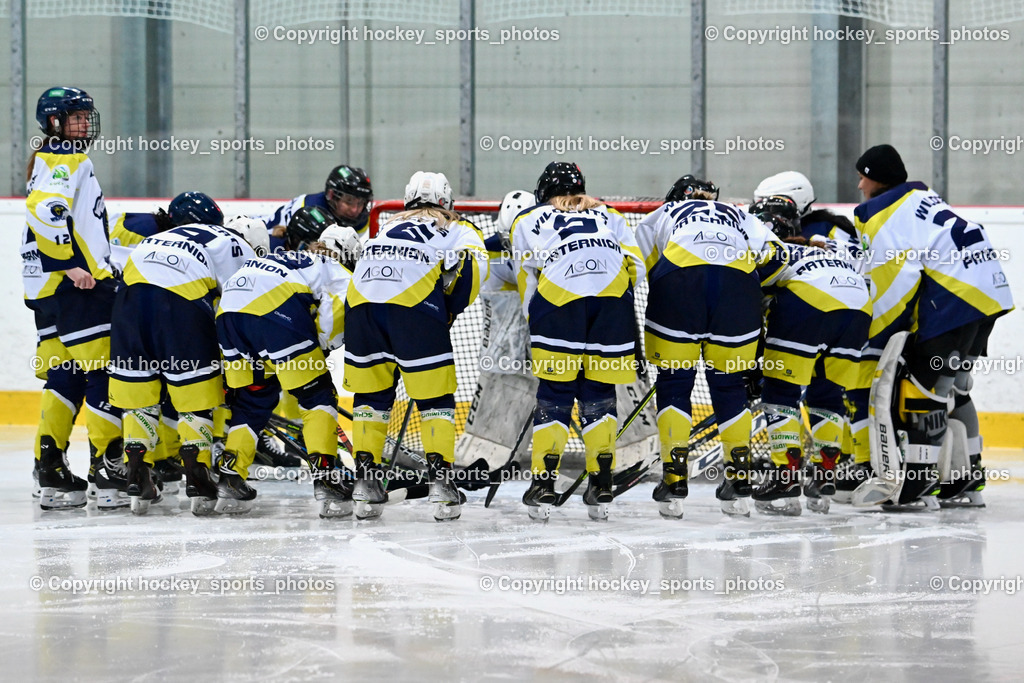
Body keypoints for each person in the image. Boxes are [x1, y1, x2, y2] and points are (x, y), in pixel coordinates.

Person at [852, 144, 1013, 509]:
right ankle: (965, 476)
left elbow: (895, 284)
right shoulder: (920, 200)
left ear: (876, 179)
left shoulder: (886, 215)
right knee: (955, 385)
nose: (860, 185)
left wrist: (873, 335)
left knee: (923, 390)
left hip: (956, 298)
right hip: (986, 295)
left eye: (863, 176)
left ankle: (921, 482)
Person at [107, 196, 267, 514]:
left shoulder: (155, 237)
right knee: (195, 395)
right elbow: (244, 299)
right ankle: (197, 475)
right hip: (180, 307)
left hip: (128, 304)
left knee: (139, 393)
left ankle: (137, 468)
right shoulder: (232, 241)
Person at [344, 171, 487, 522]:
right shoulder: (458, 228)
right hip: (415, 309)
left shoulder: (386, 227)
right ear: (447, 201)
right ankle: (441, 488)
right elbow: (471, 270)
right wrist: (448, 311)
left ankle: (365, 485)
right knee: (434, 398)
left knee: (372, 396)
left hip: (361, 305)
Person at [635, 175, 779, 518]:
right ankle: (739, 477)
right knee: (729, 385)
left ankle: (673, 478)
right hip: (737, 287)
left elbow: (633, 264)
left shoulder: (667, 212)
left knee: (674, 381)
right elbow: (775, 256)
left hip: (679, 283)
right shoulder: (740, 214)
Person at [513, 162, 646, 521]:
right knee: (599, 395)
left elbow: (526, 275)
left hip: (559, 302)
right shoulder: (610, 216)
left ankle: (543, 484)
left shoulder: (527, 219)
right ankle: (601, 482)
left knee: (555, 396)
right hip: (613, 303)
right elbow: (635, 266)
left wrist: (535, 321)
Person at [216, 209, 360, 517]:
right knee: (317, 396)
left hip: (228, 313)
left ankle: (230, 475)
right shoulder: (339, 271)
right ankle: (327, 478)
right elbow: (333, 318)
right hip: (274, 312)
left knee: (253, 400)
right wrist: (315, 354)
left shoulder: (292, 257)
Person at [22, 86, 122, 511]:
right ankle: (109, 470)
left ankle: (50, 469)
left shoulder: (47, 158)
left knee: (64, 375)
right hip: (76, 287)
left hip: (45, 290)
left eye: (85, 116)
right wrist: (71, 265)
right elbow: (45, 209)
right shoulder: (67, 158)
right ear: (55, 121)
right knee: (102, 370)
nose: (84, 123)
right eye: (76, 116)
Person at [748, 195, 871, 515]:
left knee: (780, 390)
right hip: (858, 308)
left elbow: (751, 290)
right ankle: (824, 473)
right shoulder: (832, 245)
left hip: (809, 304)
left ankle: (785, 478)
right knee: (828, 391)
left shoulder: (777, 250)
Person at [261, 165, 373, 252]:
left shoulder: (361, 220)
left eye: (361, 203)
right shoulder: (309, 210)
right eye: (349, 201)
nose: (354, 210)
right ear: (332, 195)